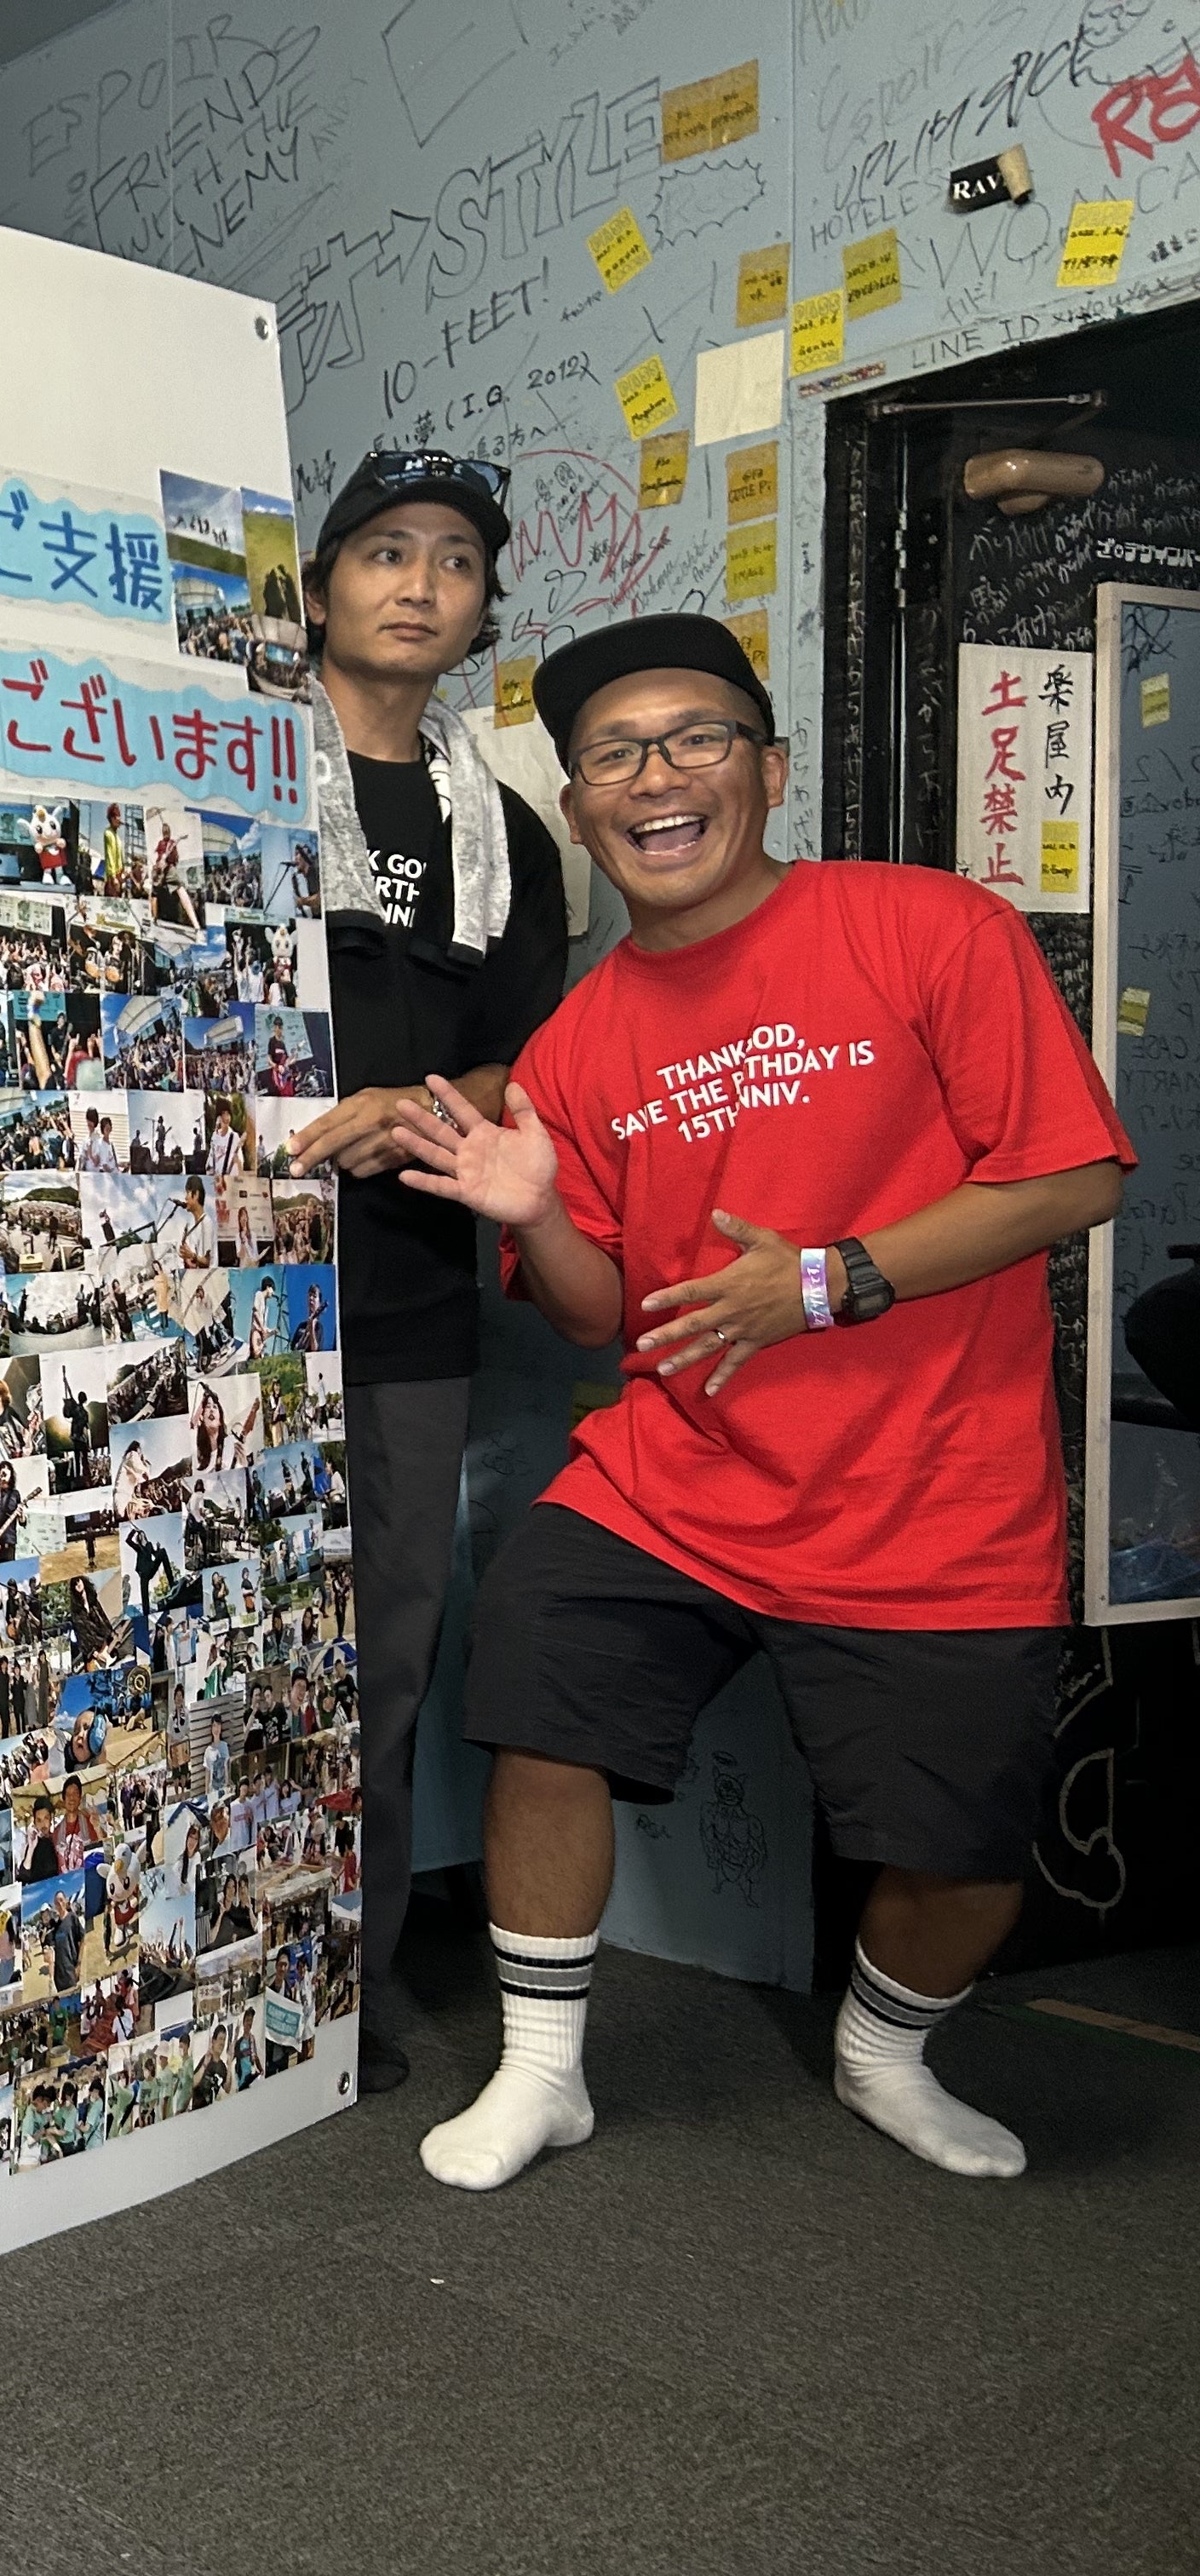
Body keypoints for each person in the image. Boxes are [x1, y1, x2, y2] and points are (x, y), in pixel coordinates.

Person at [395, 612, 1131, 2194]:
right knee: (536, 1675)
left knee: (963, 1856)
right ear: (581, 809)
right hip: (678, 1471)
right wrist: (535, 1208)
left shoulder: (928, 927)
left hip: (935, 1488)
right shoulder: (579, 1039)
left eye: (695, 739)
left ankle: (883, 2053)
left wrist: (826, 1280)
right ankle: (542, 2071)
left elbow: (1070, 1175)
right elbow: (599, 1313)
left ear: (770, 771)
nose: (656, 777)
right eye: (614, 756)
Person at [273, 451, 569, 2096]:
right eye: (384, 549)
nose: (418, 582)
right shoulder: (227, 769)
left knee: (379, 1652)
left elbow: (539, 1057)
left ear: (478, 608)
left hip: (401, 1296)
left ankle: (345, 1990)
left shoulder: (501, 829)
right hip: (219, 1284)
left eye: (454, 559)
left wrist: (429, 1107)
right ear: (319, 586)